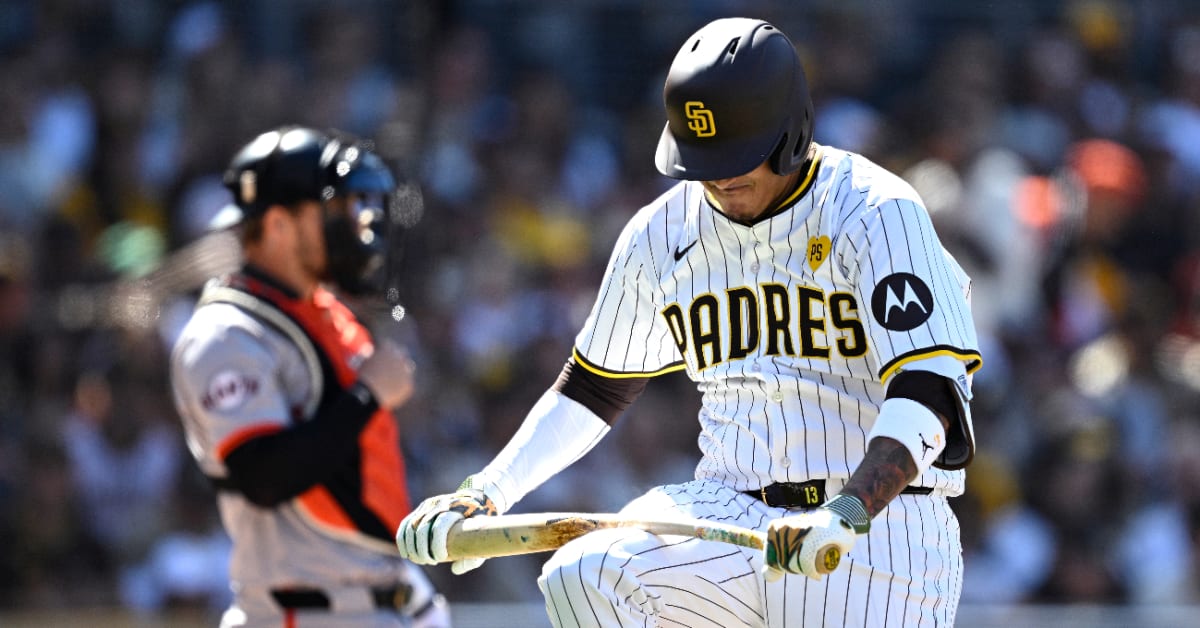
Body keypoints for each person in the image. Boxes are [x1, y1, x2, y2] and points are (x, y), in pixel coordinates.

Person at [398, 16, 981, 628]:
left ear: (791, 129)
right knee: (586, 578)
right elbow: (593, 388)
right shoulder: (663, 232)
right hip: (726, 516)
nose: (720, 176)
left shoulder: (872, 208)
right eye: (704, 157)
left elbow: (929, 388)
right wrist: (485, 491)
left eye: (736, 155)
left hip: (876, 534)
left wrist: (848, 512)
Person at [170, 125, 451, 627]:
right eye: (335, 209)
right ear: (277, 224)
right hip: (300, 610)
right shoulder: (225, 333)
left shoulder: (323, 311)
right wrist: (367, 395)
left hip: (379, 600)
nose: (355, 221)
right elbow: (265, 476)